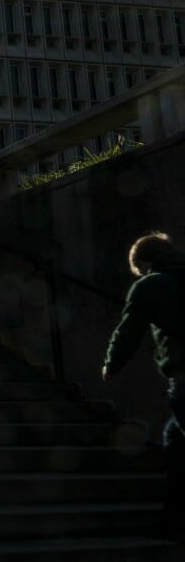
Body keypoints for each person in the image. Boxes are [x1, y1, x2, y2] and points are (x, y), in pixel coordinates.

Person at [102, 232, 185, 541]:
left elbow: (129, 331)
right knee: (175, 441)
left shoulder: (151, 285)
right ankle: (173, 521)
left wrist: (112, 364)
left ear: (144, 263)